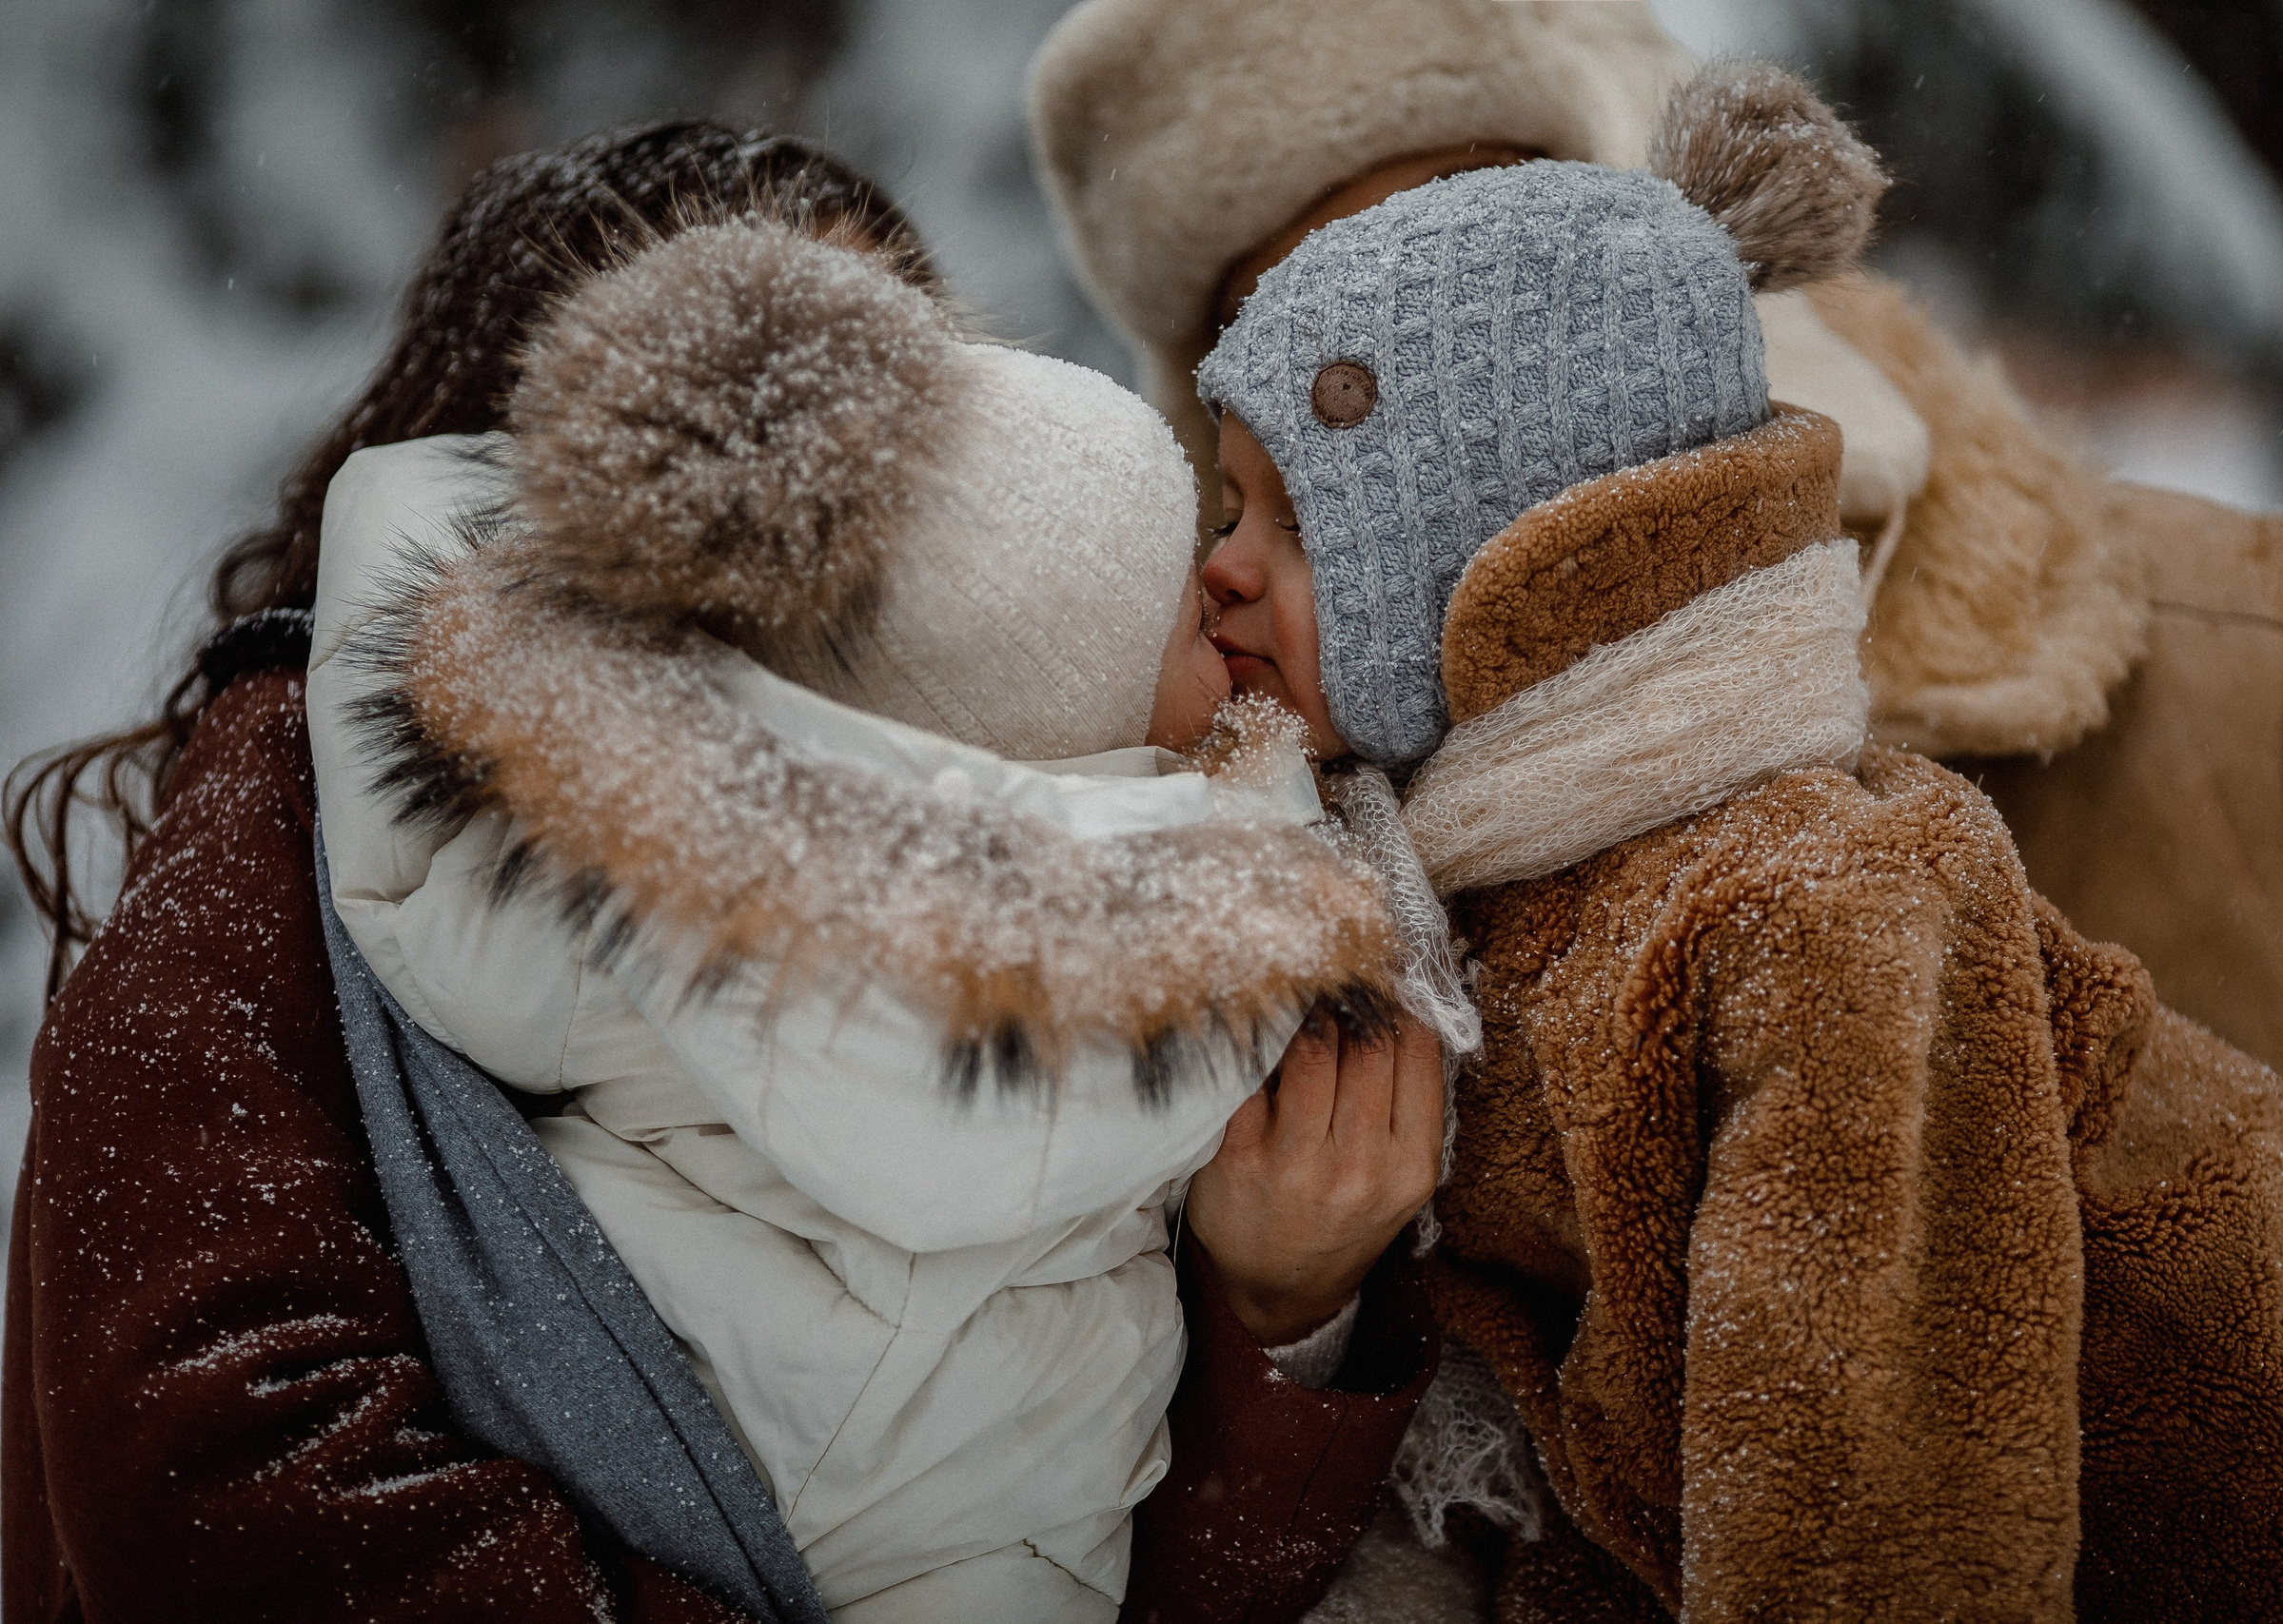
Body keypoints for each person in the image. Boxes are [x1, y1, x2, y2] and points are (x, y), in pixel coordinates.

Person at [3, 123, 1436, 1624]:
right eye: (767, 400)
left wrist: (1284, 1319)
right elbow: (220, 1469)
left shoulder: (998, 869)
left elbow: (1097, 1531)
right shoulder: (300, 769)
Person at [1198, 65, 2283, 1621]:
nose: (1219, 573)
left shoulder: (1810, 902)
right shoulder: (1476, 893)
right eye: (1223, 509)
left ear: (1517, 560)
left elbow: (1880, 1495)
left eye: (1293, 526)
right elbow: (1615, 1440)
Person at [1028, 0, 2283, 1214]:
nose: (1406, 400)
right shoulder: (1220, 918)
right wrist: (1285, 1336)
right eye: (1292, 340)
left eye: (1469, 267)